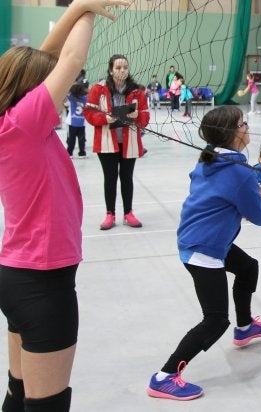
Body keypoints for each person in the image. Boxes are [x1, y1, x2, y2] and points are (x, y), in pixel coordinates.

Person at [0, 1, 128, 411]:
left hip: (18, 275)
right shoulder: (24, 124)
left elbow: (48, 57)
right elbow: (70, 58)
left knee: (18, 393)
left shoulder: (12, 121)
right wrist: (89, 6)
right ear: (28, 91)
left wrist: (74, 9)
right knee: (46, 405)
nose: (51, 90)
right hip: (42, 282)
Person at [147, 106, 261, 401]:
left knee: (247, 267)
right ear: (233, 133)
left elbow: (216, 187)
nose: (247, 127)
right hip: (203, 250)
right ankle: (165, 376)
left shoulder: (212, 157)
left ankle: (245, 327)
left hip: (204, 239)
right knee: (216, 320)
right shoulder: (238, 172)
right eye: (243, 123)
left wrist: (248, 189)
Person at [84, 54, 150, 230]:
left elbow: (145, 117)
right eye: (118, 67)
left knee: (127, 178)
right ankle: (110, 214)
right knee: (110, 178)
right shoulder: (99, 89)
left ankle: (128, 213)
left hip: (130, 142)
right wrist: (104, 118)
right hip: (106, 142)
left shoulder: (137, 91)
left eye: (125, 67)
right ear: (111, 69)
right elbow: (88, 113)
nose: (122, 70)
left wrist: (138, 115)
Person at [65, 83, 88, 158]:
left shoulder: (70, 98)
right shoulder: (85, 98)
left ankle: (69, 153)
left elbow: (65, 103)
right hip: (81, 122)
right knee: (81, 139)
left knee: (71, 139)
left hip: (72, 122)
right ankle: (82, 153)